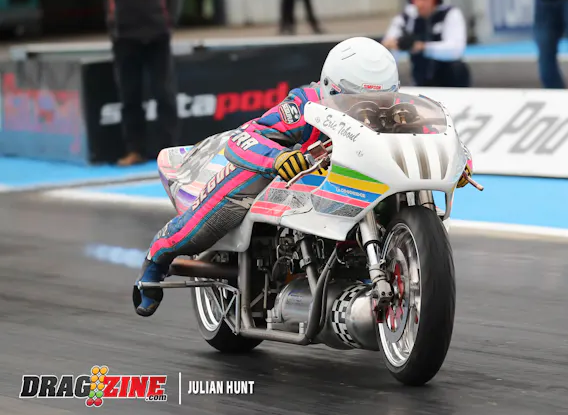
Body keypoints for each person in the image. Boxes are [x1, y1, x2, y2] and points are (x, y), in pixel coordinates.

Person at [132, 37, 474, 317]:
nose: (370, 106)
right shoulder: (304, 104)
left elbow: (436, 138)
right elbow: (244, 137)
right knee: (231, 198)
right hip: (290, 177)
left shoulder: (397, 111)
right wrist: (279, 158)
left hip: (352, 182)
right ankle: (158, 256)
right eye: (356, 98)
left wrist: (460, 164)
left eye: (380, 97)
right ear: (330, 88)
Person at [83, 0, 183, 166]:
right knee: (130, 96)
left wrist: (170, 21)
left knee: (164, 94)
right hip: (125, 36)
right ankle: (135, 150)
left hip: (158, 36)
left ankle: (170, 150)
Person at [382, 0, 470, 88]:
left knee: (457, 67)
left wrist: (421, 47)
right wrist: (396, 43)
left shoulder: (451, 14)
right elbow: (387, 42)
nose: (419, 3)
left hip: (453, 83)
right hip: (422, 83)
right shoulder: (406, 18)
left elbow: (456, 50)